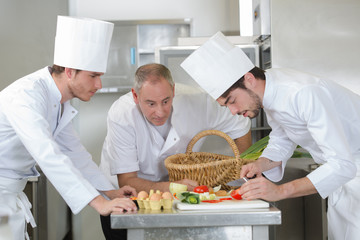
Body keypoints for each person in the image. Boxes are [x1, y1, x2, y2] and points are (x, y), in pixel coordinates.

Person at [181, 31, 360, 240]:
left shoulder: (303, 93)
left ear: (248, 79)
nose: (232, 111)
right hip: (344, 182)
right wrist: (261, 164)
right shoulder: (270, 91)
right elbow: (282, 140)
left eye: (231, 101)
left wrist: (280, 191)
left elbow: (342, 164)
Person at [0, 16, 137, 240]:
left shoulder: (59, 102)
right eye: (93, 76)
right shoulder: (26, 96)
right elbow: (47, 154)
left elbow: (74, 154)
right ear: (70, 71)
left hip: (9, 197)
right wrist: (100, 203)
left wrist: (109, 192)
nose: (98, 85)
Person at [99, 63, 252, 238]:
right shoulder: (122, 115)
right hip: (125, 199)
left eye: (166, 101)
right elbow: (127, 180)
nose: (160, 112)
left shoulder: (198, 102)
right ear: (135, 96)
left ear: (173, 90)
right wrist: (172, 187)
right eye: (150, 104)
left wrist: (243, 175)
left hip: (177, 200)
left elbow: (240, 125)